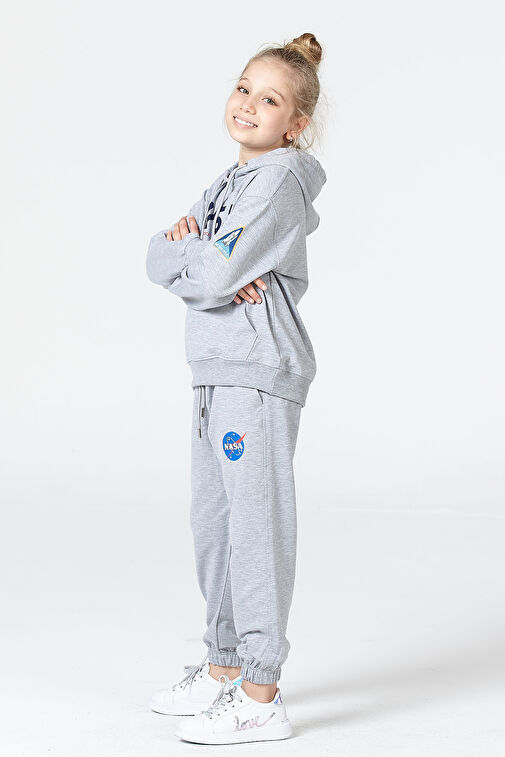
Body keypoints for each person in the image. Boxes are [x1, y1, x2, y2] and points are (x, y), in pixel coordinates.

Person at [146, 32, 327, 745]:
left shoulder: (278, 182)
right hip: (215, 368)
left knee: (254, 529)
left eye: (270, 99)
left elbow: (214, 274)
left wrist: (202, 261)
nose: (249, 104)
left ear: (296, 123)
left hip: (256, 371)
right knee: (215, 527)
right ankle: (224, 663)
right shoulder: (230, 182)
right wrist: (199, 255)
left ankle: (259, 691)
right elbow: (157, 255)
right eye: (244, 88)